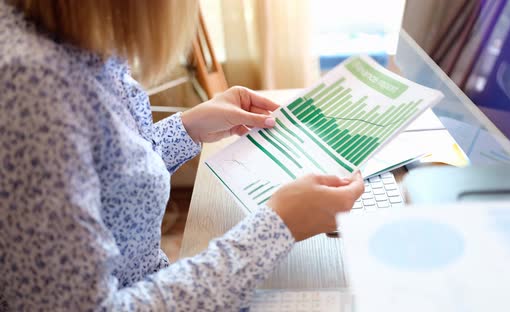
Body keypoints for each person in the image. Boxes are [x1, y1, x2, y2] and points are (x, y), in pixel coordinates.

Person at [0, 0, 364, 310]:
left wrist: (188, 128)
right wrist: (277, 226)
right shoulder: (31, 84)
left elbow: (106, 175)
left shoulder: (74, 39)